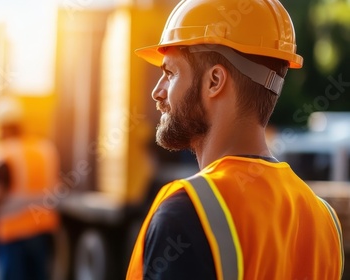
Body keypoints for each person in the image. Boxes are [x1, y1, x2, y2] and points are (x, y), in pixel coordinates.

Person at [127, 0, 344, 279]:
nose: (157, 92)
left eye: (170, 73)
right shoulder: (324, 220)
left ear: (214, 81)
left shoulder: (187, 211)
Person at [0, 96, 60, 280]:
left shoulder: (3, 153)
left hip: (13, 233)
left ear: (3, 127)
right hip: (42, 229)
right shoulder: (45, 148)